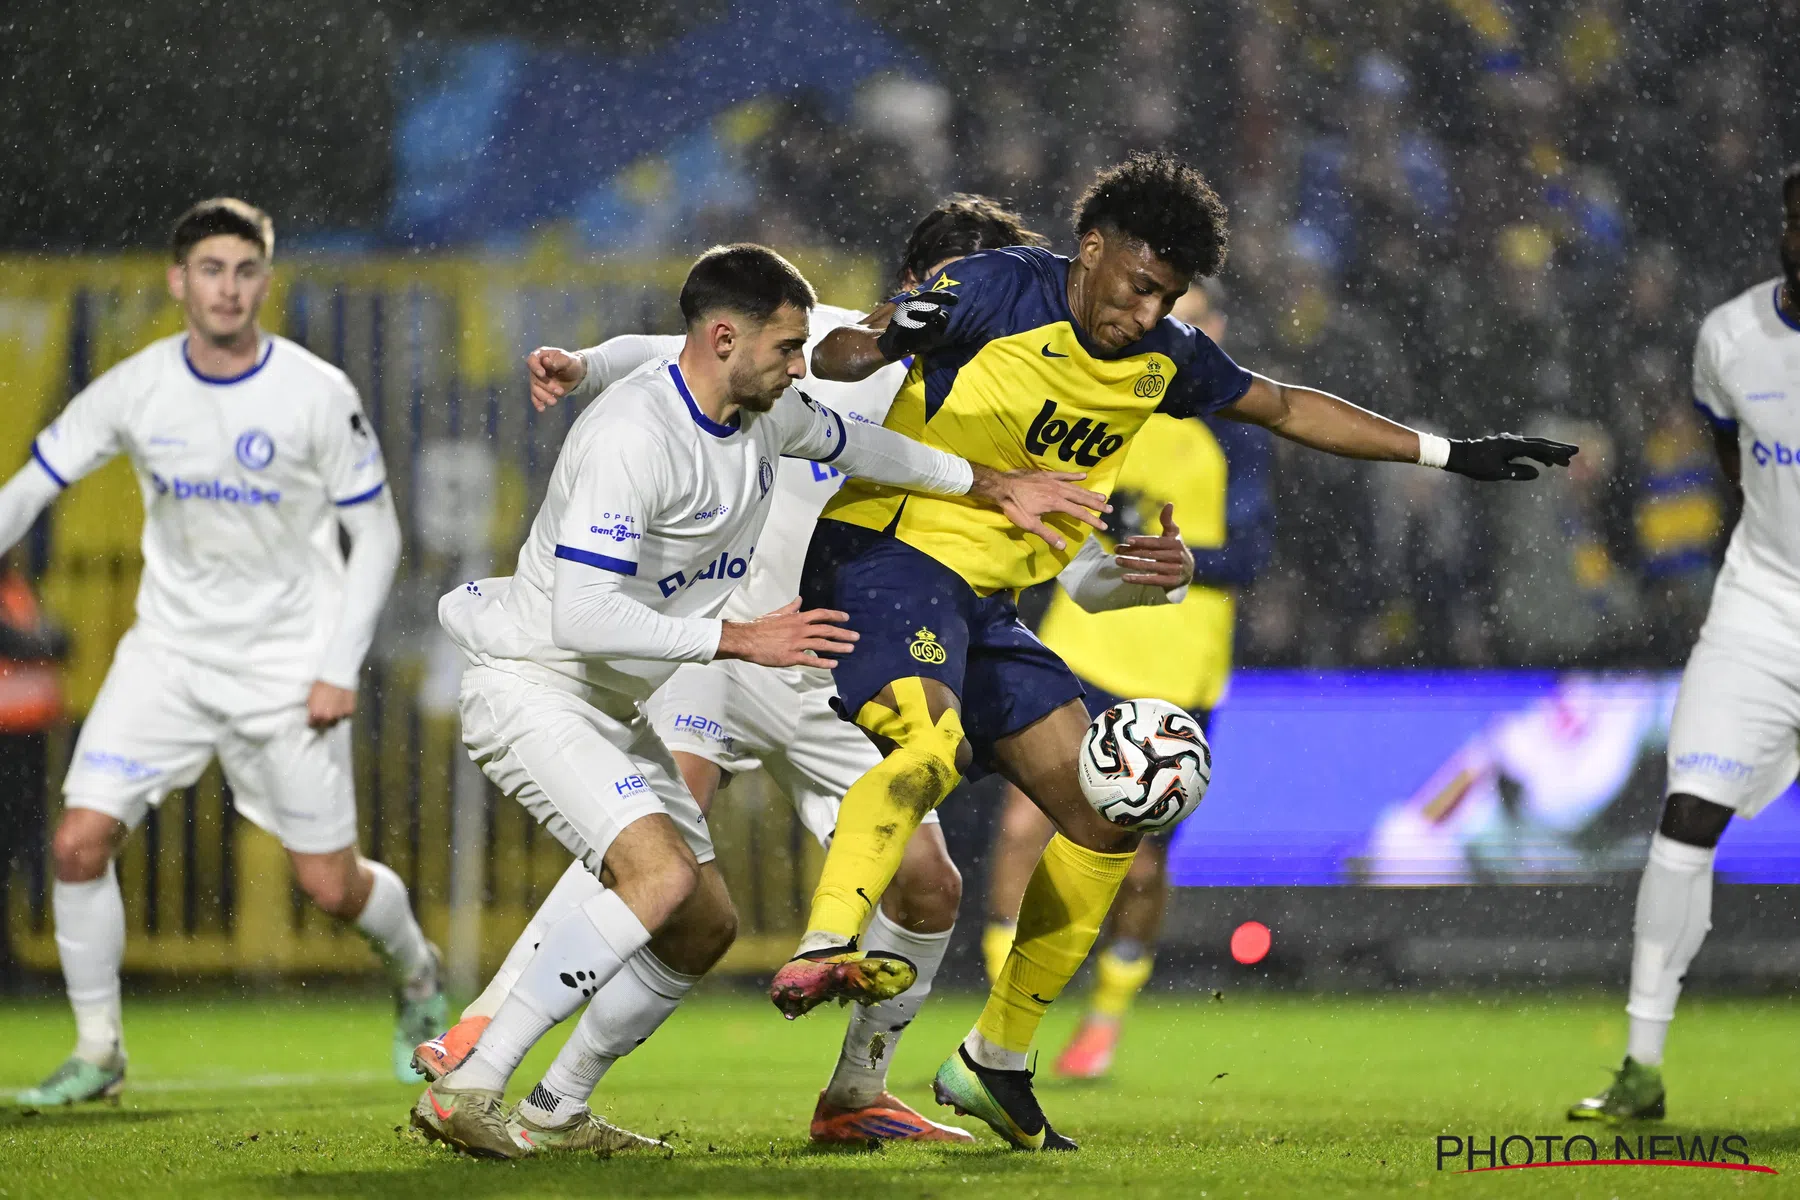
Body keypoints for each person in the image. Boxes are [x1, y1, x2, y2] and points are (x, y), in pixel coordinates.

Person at [774, 150, 1578, 1150]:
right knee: (928, 754)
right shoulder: (996, 285)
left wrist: (1449, 453)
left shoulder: (1168, 358)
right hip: (885, 562)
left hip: (989, 606)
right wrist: (891, 330)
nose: (1149, 310)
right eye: (1139, 285)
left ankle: (996, 1061)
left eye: (1170, 296)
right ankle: (823, 946)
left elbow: (1284, 405)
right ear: (1093, 247)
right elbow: (843, 361)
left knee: (1113, 816)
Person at [413, 197, 1195, 1146]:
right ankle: (485, 1029)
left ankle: (854, 1091)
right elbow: (664, 355)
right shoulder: (815, 343)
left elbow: (1073, 564)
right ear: (921, 290)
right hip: (721, 646)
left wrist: (1140, 582)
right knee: (660, 841)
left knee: (928, 886)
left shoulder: (1004, 405)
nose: (999, 325)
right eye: (972, 300)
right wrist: (582, 367)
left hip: (836, 673)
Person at [1, 198, 442, 1107]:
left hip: (288, 668)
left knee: (330, 886)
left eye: (244, 271)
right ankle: (100, 1052)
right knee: (79, 844)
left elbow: (382, 538)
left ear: (264, 283)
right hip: (167, 657)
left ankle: (421, 984)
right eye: (210, 269)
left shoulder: (316, 393)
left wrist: (336, 664)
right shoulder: (138, 386)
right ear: (178, 282)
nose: (228, 288)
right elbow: (33, 482)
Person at [981, 279, 1272, 1080]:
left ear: (1214, 334)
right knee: (1019, 829)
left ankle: (1106, 1012)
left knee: (1138, 863)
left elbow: (1254, 555)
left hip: (1178, 673)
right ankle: (1006, 1005)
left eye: (1193, 319)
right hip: (1081, 646)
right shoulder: (1102, 404)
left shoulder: (1235, 436)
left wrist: (1183, 565)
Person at [1568, 163, 1800, 1123]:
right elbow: (1729, 456)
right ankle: (1642, 1068)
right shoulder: (1730, 337)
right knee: (1683, 824)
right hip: (1762, 608)